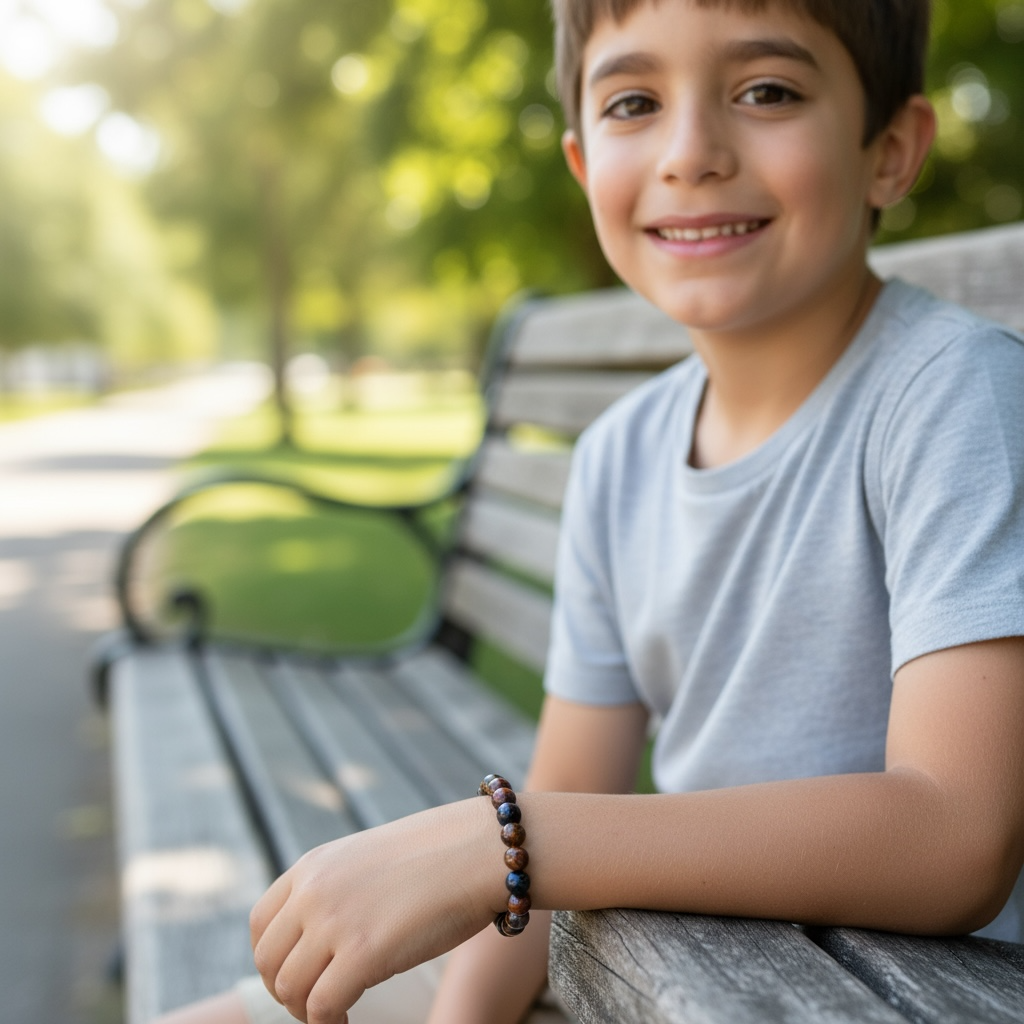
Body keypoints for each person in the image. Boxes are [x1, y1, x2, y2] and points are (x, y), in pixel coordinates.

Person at [160, 0, 1024, 1021]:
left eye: (766, 91)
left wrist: (504, 841)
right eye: (633, 101)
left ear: (889, 151)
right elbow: (570, 787)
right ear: (582, 164)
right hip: (656, 957)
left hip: (871, 991)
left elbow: (954, 836)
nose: (691, 151)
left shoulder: (953, 397)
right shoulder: (619, 454)